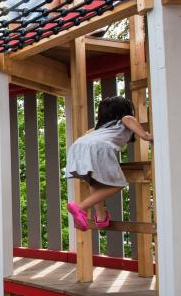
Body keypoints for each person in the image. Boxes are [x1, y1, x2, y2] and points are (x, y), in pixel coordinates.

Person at [65, 96, 153, 230]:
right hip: (99, 147)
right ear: (125, 110)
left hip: (77, 146)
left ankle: (101, 216)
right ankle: (81, 207)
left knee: (95, 182)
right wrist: (148, 136)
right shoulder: (126, 118)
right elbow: (143, 134)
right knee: (117, 184)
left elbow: (87, 137)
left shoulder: (98, 129)